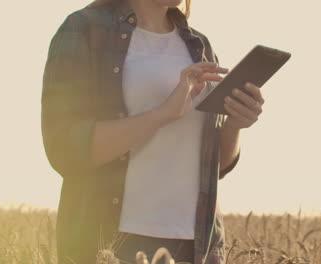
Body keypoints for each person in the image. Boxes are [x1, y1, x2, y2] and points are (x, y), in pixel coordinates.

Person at [41, 0, 264, 263]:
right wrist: (163, 113)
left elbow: (215, 169)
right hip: (113, 243)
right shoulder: (84, 29)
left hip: (197, 244)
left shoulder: (199, 45)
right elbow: (65, 149)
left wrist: (235, 125)